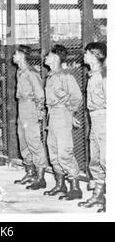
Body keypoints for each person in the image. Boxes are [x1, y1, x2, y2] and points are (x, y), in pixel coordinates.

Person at [43, 44, 83, 200]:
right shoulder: (51, 75)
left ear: (55, 57)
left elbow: (77, 97)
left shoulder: (66, 76)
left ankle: (75, 188)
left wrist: (70, 113)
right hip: (52, 115)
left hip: (62, 114)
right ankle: (60, 186)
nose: (45, 57)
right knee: (53, 152)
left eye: (48, 55)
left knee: (64, 152)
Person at [13, 45, 48, 190]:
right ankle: (30, 172)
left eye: (15, 54)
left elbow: (40, 94)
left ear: (21, 55)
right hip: (22, 107)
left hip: (30, 108)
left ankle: (41, 177)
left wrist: (39, 112)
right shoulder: (20, 72)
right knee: (23, 140)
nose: (13, 56)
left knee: (33, 141)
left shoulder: (31, 73)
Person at [78, 42, 106, 213]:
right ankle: (98, 195)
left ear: (95, 55)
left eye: (87, 53)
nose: (84, 56)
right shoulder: (93, 75)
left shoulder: (104, 75)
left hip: (104, 119)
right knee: (95, 160)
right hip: (95, 121)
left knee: (106, 160)